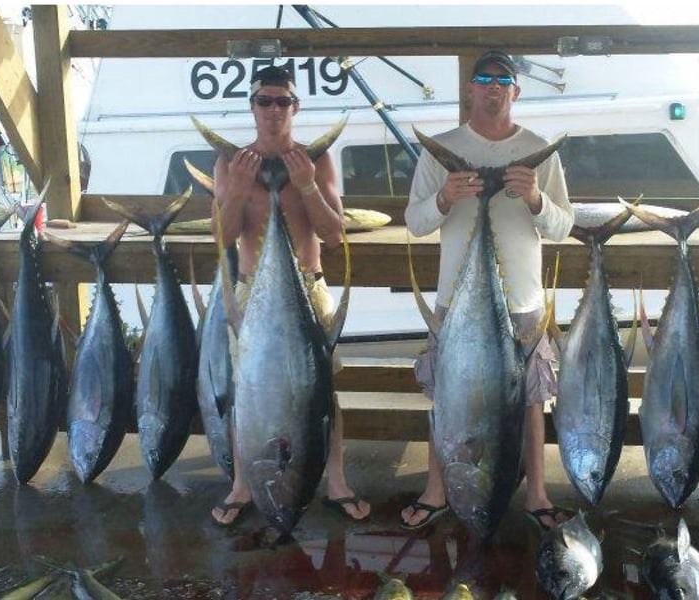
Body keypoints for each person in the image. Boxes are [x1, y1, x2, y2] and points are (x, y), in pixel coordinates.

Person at [402, 50, 574, 532]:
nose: (492, 87)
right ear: (470, 89)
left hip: (522, 302)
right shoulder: (440, 149)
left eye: (502, 80)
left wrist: (536, 198)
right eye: (483, 79)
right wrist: (445, 197)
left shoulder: (540, 150)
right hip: (456, 303)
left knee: (533, 400)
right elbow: (415, 222)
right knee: (447, 396)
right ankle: (436, 491)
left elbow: (563, 226)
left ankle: (537, 495)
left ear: (515, 91)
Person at [210, 65, 370, 526]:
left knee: (323, 390)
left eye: (283, 101)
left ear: (295, 107)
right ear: (252, 106)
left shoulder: (317, 160)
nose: (274, 109)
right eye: (265, 101)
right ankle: (242, 485)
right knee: (246, 390)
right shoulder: (230, 163)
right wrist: (239, 187)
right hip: (252, 295)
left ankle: (336, 481)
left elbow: (334, 235)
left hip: (308, 289)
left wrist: (305, 185)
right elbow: (224, 237)